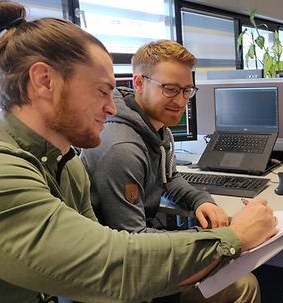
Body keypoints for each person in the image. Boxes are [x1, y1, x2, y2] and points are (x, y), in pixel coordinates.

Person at [0, 0, 277, 302]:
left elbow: (165, 183)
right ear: (44, 81)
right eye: (102, 90)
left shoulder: (66, 162)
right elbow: (113, 263)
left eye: (186, 91)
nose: (109, 106)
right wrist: (234, 237)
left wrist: (201, 203)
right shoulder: (7, 172)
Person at [80, 39, 259, 302]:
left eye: (187, 90)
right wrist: (213, 239)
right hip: (118, 272)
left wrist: (199, 199)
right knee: (243, 283)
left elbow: (169, 177)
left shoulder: (153, 123)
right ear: (139, 83)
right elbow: (132, 239)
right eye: (171, 89)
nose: (181, 101)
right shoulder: (123, 148)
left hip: (136, 246)